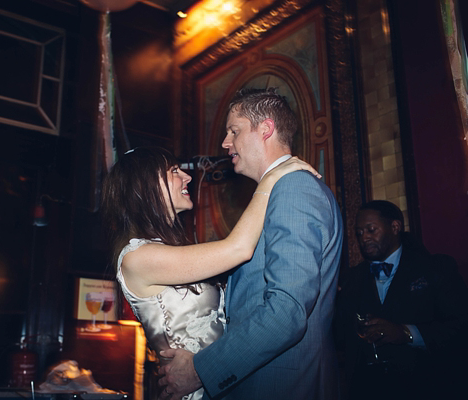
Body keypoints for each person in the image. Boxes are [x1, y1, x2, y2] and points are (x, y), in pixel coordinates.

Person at [158, 88, 344, 400]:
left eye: (234, 130)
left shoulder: (294, 188)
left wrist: (200, 370)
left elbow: (286, 312)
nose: (225, 143)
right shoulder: (276, 192)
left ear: (265, 128)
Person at [102, 146, 319, 400]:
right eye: (174, 171)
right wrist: (271, 178)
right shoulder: (136, 257)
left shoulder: (163, 249)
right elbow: (238, 248)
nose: (187, 177)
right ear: (144, 186)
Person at [336, 200, 468, 400]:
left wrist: (407, 333)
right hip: (369, 391)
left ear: (395, 227)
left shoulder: (435, 268)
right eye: (359, 233)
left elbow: (460, 326)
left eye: (371, 230)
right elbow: (340, 336)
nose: (364, 238)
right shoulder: (350, 280)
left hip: (427, 387)